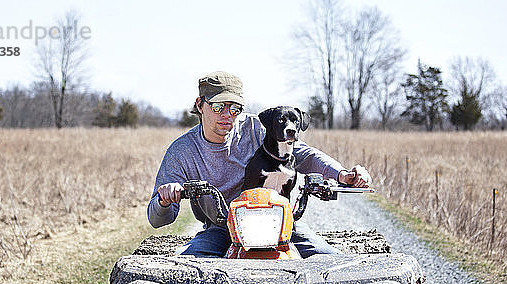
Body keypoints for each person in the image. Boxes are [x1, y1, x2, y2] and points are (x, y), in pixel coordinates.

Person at [147, 71, 371, 258]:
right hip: (222, 228)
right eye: (218, 107)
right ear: (200, 105)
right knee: (188, 267)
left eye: (234, 108)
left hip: (278, 221)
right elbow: (157, 219)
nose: (227, 115)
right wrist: (165, 200)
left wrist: (342, 174)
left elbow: (304, 155)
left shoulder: (256, 127)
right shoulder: (182, 151)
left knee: (327, 259)